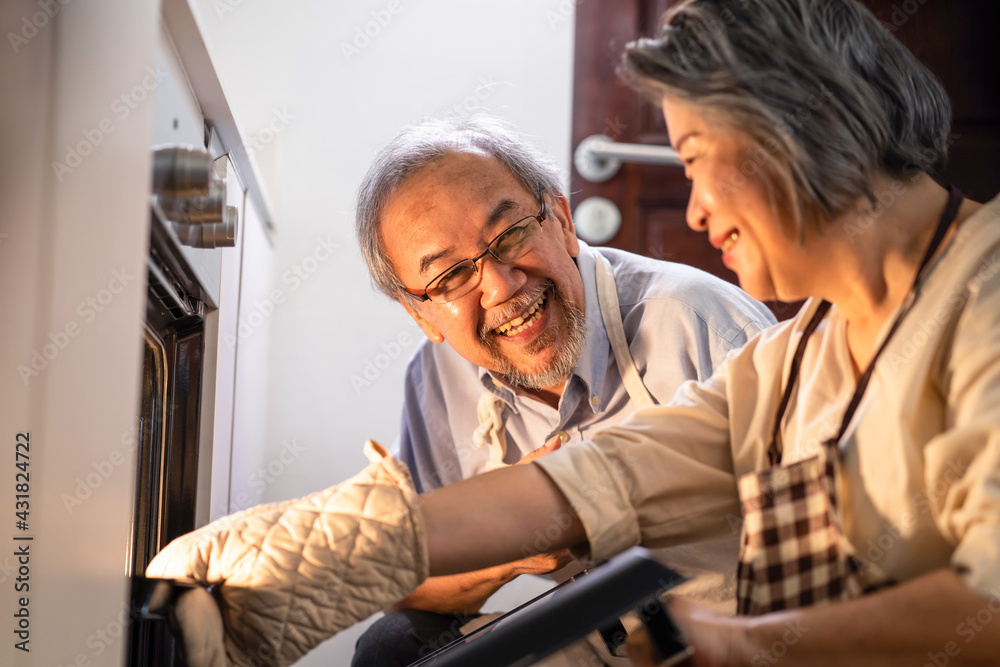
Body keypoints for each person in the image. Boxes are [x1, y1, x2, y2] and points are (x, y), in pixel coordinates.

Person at [410, 0, 1000, 664]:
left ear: (794, 127)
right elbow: (599, 474)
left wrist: (732, 643)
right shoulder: (792, 356)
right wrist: (322, 550)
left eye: (693, 159)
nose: (693, 212)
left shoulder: (983, 297)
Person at [350, 115, 776, 666]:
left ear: (563, 222)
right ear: (420, 313)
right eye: (451, 277)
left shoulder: (699, 321)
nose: (502, 285)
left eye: (510, 235)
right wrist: (505, 547)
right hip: (592, 641)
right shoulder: (435, 380)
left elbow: (835, 544)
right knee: (390, 649)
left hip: (738, 639)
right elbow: (406, 582)